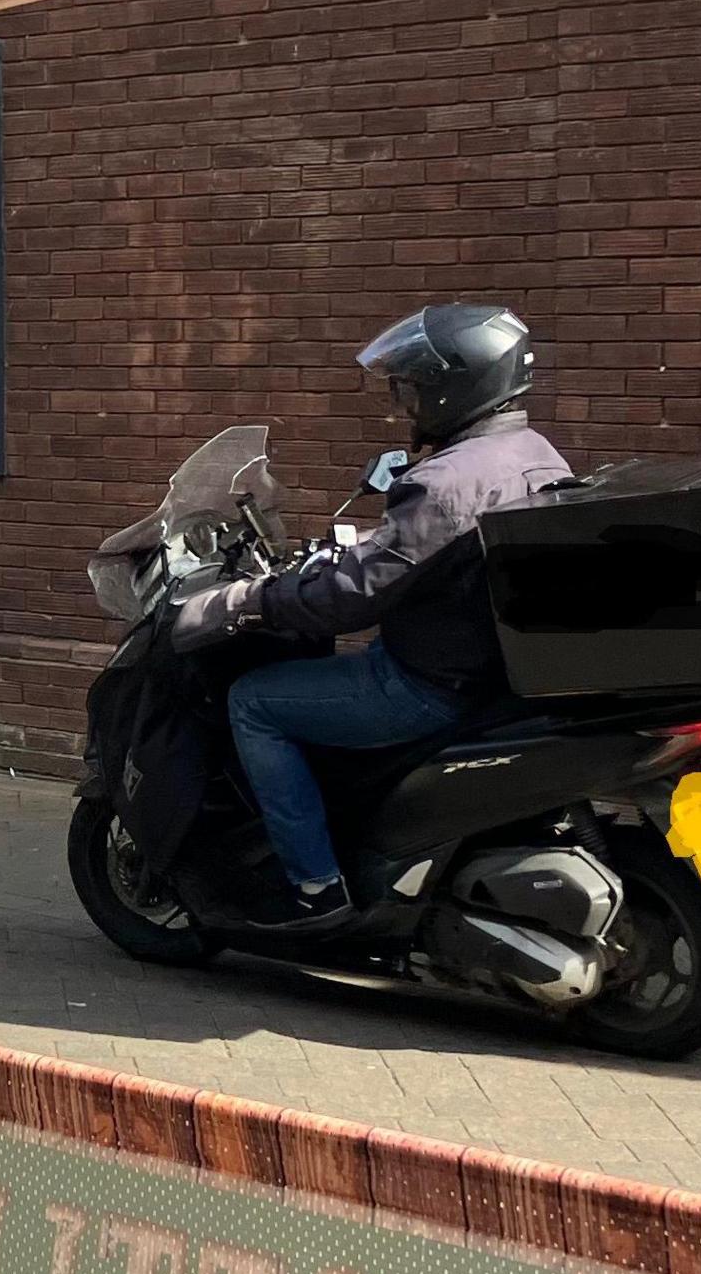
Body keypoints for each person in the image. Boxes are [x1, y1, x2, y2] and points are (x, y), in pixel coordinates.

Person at [169, 303, 570, 925]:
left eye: (412, 390)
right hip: (489, 671)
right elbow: (412, 562)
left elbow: (347, 601)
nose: (403, 405)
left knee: (253, 701)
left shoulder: (446, 482)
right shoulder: (531, 451)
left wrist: (246, 599)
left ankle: (314, 886)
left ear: (454, 388)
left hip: (427, 684)